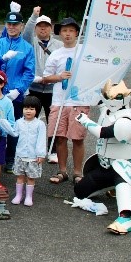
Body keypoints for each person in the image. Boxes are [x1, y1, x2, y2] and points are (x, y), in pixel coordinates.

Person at [75, 80, 131, 235]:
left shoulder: (126, 120)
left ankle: (126, 217)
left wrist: (85, 120)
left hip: (123, 166)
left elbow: (103, 132)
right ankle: (112, 188)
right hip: (104, 165)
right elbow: (97, 99)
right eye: (108, 97)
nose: (109, 101)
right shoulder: (108, 110)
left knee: (123, 183)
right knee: (80, 191)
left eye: (114, 98)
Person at [0, 9, 35, 172]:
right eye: (9, 24)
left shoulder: (27, 48)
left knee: (13, 126)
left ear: (21, 26)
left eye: (15, 24)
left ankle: (10, 158)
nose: (12, 27)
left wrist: (19, 90)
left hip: (14, 94)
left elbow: (29, 72)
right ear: (5, 25)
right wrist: (2, 58)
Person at [40, 17, 90, 185]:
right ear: (60, 33)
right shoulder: (56, 54)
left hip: (78, 101)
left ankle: (77, 172)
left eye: (71, 30)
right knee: (60, 138)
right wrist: (59, 77)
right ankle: (62, 171)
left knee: (77, 138)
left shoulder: (84, 51)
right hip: (59, 101)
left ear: (77, 33)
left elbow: (105, 62)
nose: (67, 34)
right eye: (64, 31)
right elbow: (46, 78)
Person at [23, 7, 63, 163]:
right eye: (40, 26)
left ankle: (52, 150)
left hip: (53, 89)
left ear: (51, 28)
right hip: (34, 88)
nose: (43, 29)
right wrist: (34, 16)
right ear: (36, 28)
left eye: (46, 26)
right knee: (30, 119)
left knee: (53, 120)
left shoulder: (59, 45)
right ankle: (30, 149)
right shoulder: (31, 42)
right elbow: (26, 32)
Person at [0, 95, 47, 206]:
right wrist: (5, 124)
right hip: (20, 155)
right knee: (20, 176)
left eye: (31, 109)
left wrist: (41, 154)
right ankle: (18, 195)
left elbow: (41, 139)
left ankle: (29, 196)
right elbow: (14, 133)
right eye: (26, 108)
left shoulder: (40, 124)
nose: (28, 111)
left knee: (31, 177)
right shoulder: (19, 122)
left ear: (37, 110)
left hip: (33, 156)